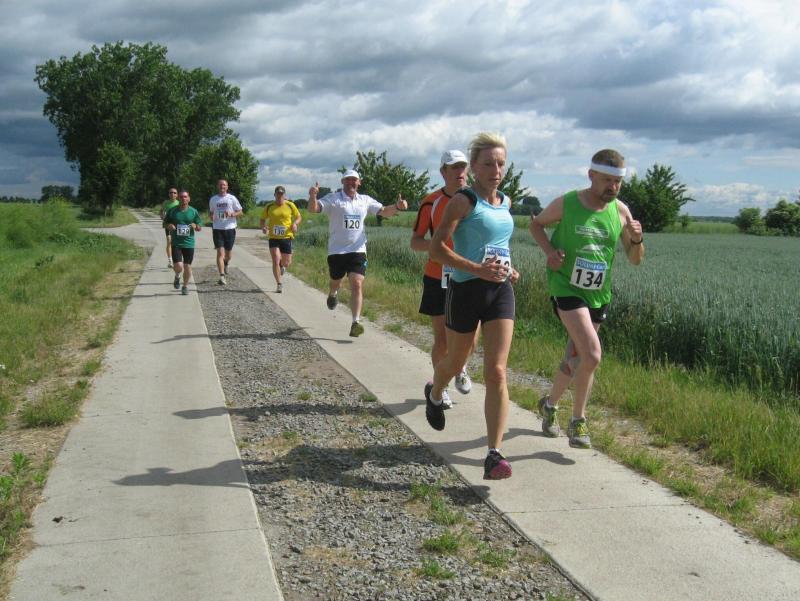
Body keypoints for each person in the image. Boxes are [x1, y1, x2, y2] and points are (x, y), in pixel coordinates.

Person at [528, 149, 644, 448]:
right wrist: (550, 253)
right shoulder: (568, 203)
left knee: (576, 359)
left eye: (617, 182)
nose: (612, 187)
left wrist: (637, 239)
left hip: (598, 294)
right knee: (592, 355)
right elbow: (536, 224)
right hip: (566, 287)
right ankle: (578, 421)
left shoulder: (621, 211)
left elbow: (635, 259)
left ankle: (549, 405)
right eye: (606, 180)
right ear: (591, 175)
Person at [425, 132, 520, 480]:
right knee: (456, 361)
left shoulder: (506, 201)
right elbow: (436, 249)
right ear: (475, 168)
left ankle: (494, 454)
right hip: (465, 290)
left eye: (501, 164)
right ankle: (435, 392)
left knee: (497, 371)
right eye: (488, 164)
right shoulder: (463, 201)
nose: (496, 170)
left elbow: (497, 243)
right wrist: (477, 269)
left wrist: (509, 267)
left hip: (500, 291)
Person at [411, 150, 478, 409]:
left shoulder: (477, 200)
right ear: (443, 172)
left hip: (470, 277)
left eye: (463, 167)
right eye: (454, 168)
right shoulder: (431, 202)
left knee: (471, 339)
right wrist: (439, 249)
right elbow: (415, 242)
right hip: (438, 276)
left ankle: (460, 367)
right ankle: (442, 387)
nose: (460, 172)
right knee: (442, 339)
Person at [308, 170, 408, 337]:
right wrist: (313, 196)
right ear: (342, 182)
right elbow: (314, 209)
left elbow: (383, 211)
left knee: (357, 283)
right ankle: (333, 294)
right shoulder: (334, 199)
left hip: (358, 250)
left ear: (359, 183)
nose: (351, 183)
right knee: (336, 282)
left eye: (354, 180)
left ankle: (356, 322)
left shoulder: (365, 200)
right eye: (348, 180)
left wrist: (397, 207)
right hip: (337, 251)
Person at [259, 185, 301, 293]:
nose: (279, 196)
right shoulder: (269, 206)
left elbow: (298, 217)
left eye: (281, 194)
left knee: (287, 262)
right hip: (273, 237)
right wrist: (263, 227)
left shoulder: (290, 205)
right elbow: (262, 219)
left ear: (284, 195)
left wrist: (295, 224)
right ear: (274, 195)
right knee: (275, 259)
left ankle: (282, 266)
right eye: (278, 194)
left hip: (286, 237)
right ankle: (279, 284)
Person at [163, 190, 203, 295]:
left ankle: (185, 286)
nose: (183, 198)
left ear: (189, 199)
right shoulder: (172, 211)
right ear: (178, 198)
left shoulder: (193, 211)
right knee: (179, 266)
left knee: (187, 266)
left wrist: (196, 226)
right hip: (176, 243)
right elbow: (165, 223)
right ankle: (177, 276)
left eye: (185, 197)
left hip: (189, 243)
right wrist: (169, 225)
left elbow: (199, 226)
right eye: (181, 197)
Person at [209, 179, 243, 285]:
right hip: (217, 229)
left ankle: (226, 263)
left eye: (224, 185)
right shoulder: (213, 199)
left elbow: (240, 211)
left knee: (228, 255)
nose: (222, 186)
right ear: (217, 186)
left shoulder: (232, 198)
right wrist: (212, 216)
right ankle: (222, 276)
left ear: (227, 187)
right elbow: (211, 212)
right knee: (220, 253)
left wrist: (232, 214)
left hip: (230, 228)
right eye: (220, 185)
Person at [160, 187, 179, 268]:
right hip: (168, 224)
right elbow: (161, 211)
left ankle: (178, 259)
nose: (172, 194)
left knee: (177, 242)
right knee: (169, 240)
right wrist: (162, 216)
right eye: (171, 192)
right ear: (168, 194)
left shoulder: (179, 203)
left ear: (177, 195)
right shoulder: (165, 203)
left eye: (174, 193)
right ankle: (170, 260)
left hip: (177, 225)